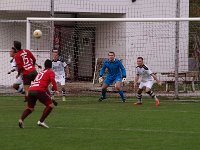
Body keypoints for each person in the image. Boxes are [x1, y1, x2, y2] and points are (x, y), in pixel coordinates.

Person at [18, 59, 59, 129]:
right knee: (50, 105)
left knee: (30, 108)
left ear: (44, 65)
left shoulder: (40, 72)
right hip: (39, 91)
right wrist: (56, 90)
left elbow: (43, 86)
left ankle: (21, 120)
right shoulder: (50, 72)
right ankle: (41, 121)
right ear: (51, 66)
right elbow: (52, 80)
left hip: (31, 90)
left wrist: (50, 96)